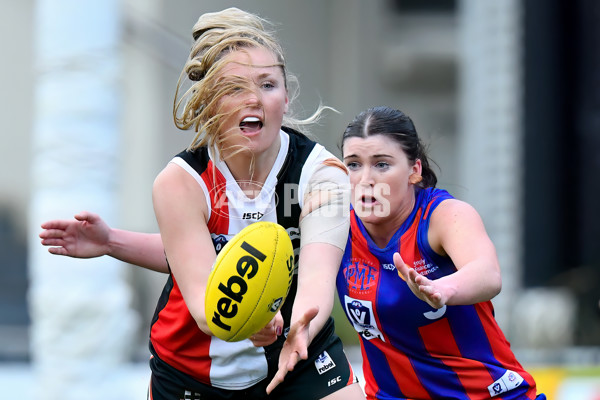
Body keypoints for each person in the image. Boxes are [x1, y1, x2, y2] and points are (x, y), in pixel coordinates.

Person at [40, 7, 365, 400]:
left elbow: (316, 279)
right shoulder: (181, 182)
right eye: (234, 88)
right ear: (210, 101)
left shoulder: (323, 174)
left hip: (297, 352)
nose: (255, 99)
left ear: (287, 95)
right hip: (192, 372)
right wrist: (256, 320)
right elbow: (206, 303)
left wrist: (300, 327)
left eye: (267, 84)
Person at [336, 106, 545, 399]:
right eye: (354, 164)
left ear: (414, 171)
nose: (365, 178)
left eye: (382, 164)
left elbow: (487, 274)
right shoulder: (334, 227)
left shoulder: (442, 216)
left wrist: (443, 289)